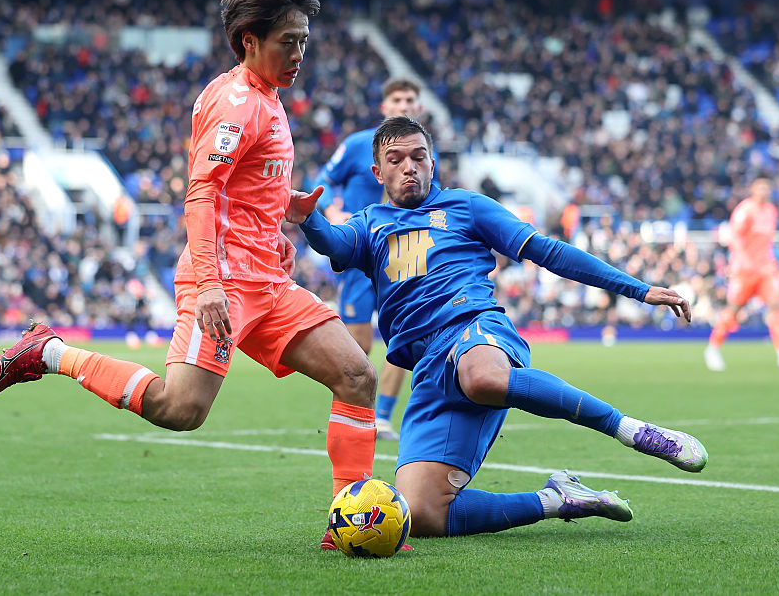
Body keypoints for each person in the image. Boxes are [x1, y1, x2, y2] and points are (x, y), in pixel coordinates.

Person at [0, 0, 384, 551]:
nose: (300, 52)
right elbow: (201, 194)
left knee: (356, 376)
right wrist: (209, 284)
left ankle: (349, 524)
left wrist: (279, 206)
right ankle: (50, 352)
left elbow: (241, 186)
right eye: (288, 41)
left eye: (304, 40)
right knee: (180, 409)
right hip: (221, 281)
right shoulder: (237, 105)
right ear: (250, 41)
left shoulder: (266, 98)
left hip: (267, 282)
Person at [286, 116, 709, 538]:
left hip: (474, 328)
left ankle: (630, 430)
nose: (409, 167)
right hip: (429, 370)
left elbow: (548, 251)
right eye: (395, 160)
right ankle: (556, 499)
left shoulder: (466, 206)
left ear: (433, 163)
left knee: (482, 377)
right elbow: (333, 242)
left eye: (418, 157)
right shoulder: (370, 224)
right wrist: (307, 217)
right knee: (423, 513)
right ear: (378, 172)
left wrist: (636, 289)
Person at [314, 77, 439, 440]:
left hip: (403, 252)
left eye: (410, 99)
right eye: (397, 99)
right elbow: (321, 183)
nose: (404, 105)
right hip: (361, 250)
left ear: (418, 106)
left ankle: (382, 417)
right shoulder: (356, 146)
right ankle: (355, 413)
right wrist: (332, 212)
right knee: (358, 344)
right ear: (384, 107)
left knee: (404, 335)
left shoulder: (426, 151)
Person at [704, 177, 779, 371]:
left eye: (767, 187)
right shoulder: (745, 210)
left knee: (777, 306)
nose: (764, 190)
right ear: (752, 188)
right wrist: (740, 262)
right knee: (734, 310)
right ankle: (713, 348)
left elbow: (766, 241)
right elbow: (734, 237)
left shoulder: (771, 210)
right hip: (744, 271)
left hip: (766, 270)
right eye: (760, 187)